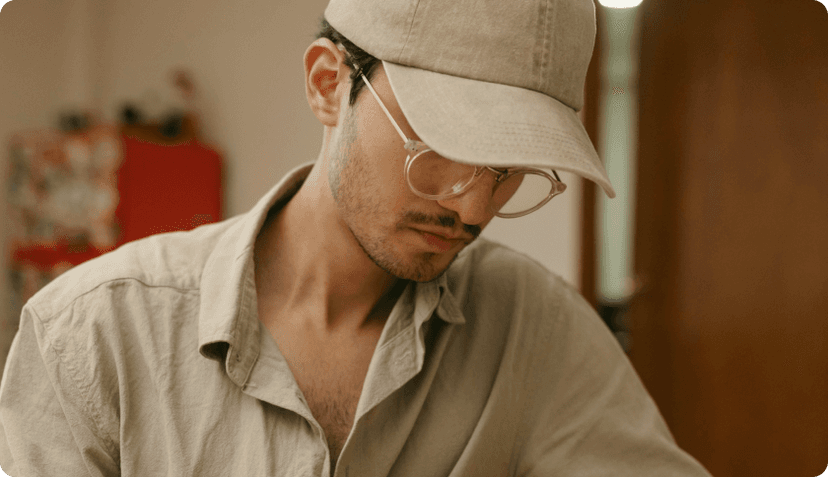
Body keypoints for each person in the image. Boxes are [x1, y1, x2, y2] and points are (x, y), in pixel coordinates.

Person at [0, 0, 713, 475]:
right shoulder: (91, 335)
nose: (472, 206)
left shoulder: (534, 325)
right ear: (327, 84)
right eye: (440, 142)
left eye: (511, 170)